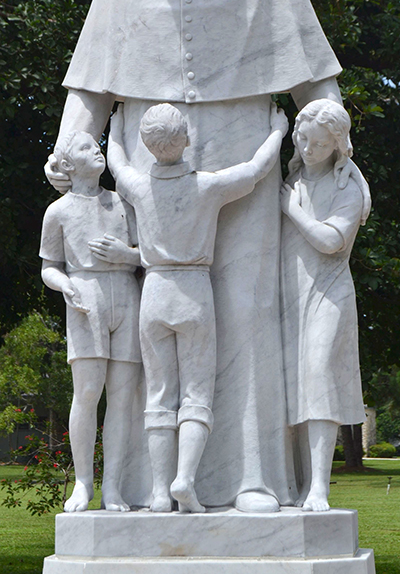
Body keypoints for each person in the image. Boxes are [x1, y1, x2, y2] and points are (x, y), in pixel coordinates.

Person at [44, 0, 368, 511]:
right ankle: (145, 486)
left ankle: (252, 478)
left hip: (244, 148)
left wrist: (332, 140)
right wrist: (69, 148)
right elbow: (90, 90)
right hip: (146, 166)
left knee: (247, 312)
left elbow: (316, 83)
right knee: (151, 330)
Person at [105, 101, 288, 513]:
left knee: (159, 394)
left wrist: (115, 128)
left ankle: (157, 493)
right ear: (186, 139)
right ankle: (184, 480)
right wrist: (276, 130)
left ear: (147, 145)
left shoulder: (137, 187)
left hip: (154, 290)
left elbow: (116, 163)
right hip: (193, 291)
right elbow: (256, 171)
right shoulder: (207, 186)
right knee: (196, 394)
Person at [40, 131, 141, 513]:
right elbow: (50, 267)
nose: (96, 151)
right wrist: (65, 284)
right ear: (67, 164)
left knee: (121, 398)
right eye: (86, 148)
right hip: (85, 298)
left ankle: (112, 487)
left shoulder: (121, 203)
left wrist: (126, 255)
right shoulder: (59, 211)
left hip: (125, 296)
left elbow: (148, 254)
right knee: (86, 393)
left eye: (96, 146)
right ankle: (83, 483)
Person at [280, 100, 369, 511]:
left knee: (318, 376)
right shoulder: (291, 177)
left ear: (337, 144)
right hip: (289, 292)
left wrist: (292, 210)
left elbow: (332, 242)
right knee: (289, 386)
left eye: (319, 142)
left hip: (329, 291)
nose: (309, 148)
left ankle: (319, 486)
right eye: (303, 139)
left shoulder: (345, 187)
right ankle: (295, 481)